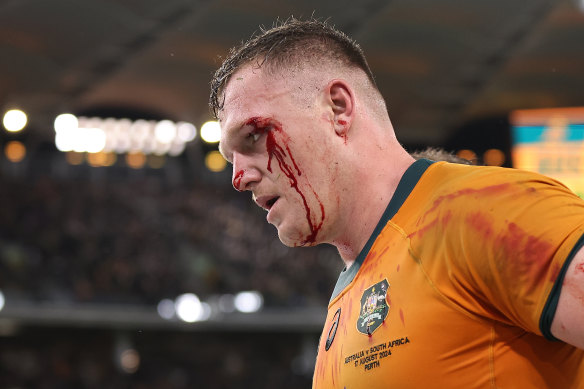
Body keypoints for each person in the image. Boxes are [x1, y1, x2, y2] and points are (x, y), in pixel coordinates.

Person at [210, 18, 584, 388]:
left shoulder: (485, 210)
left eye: (254, 135)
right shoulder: (346, 298)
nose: (239, 178)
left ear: (338, 109)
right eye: (230, 159)